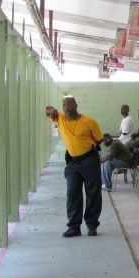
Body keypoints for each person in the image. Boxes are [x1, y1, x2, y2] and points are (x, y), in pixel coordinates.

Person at [46, 96, 105, 238]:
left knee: (93, 193)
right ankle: (74, 227)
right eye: (65, 105)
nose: (67, 107)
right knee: (72, 193)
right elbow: (47, 110)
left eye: (70, 104)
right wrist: (52, 110)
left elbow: (99, 140)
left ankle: (92, 225)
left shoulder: (89, 121)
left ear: (76, 105)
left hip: (90, 160)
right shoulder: (60, 119)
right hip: (73, 163)